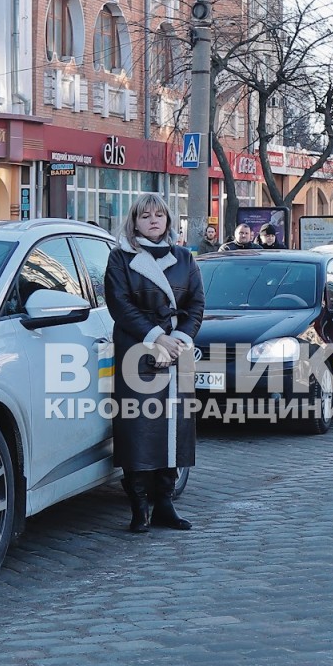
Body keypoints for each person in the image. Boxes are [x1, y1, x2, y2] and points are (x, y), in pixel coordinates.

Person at [102, 193, 204, 532]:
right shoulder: (120, 258)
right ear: (134, 222)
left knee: (174, 429)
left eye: (159, 215)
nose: (153, 221)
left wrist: (181, 340)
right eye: (145, 216)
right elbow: (119, 304)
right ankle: (139, 505)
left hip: (177, 353)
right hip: (137, 351)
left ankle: (165, 503)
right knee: (139, 429)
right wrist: (156, 337)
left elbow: (197, 304)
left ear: (168, 221)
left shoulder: (185, 258)